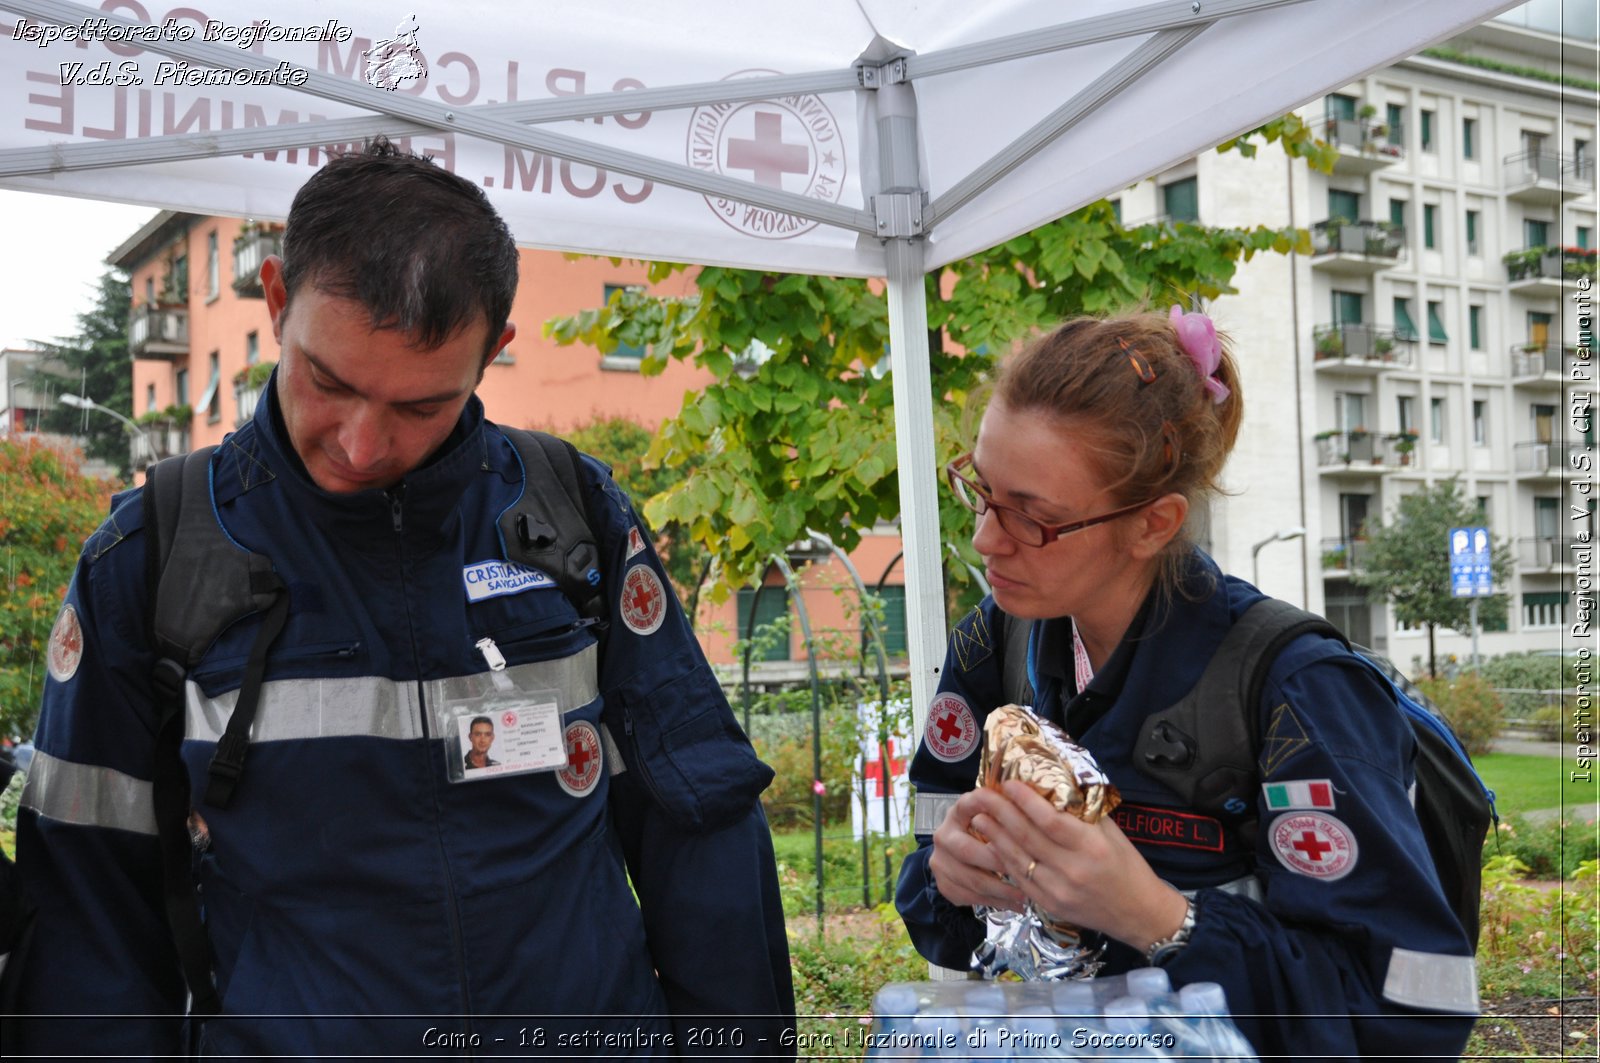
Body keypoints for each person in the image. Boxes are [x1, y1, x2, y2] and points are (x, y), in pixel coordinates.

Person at [11, 139, 795, 1056]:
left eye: (420, 406)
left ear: (493, 352)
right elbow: (84, 922)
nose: (362, 443)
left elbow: (697, 825)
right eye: (328, 380)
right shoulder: (149, 560)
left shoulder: (568, 514)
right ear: (274, 299)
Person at [895, 308, 1477, 1059]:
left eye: (1033, 517)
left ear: (1154, 522)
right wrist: (950, 876)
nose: (984, 538)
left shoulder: (1297, 691)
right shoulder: (994, 642)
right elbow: (932, 890)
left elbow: (1417, 1011)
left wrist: (1161, 917)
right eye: (981, 488)